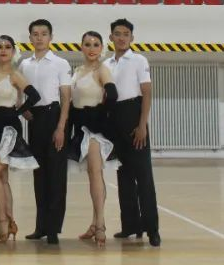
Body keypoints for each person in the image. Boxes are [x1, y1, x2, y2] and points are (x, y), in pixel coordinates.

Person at [0, 35, 39, 243]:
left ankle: (4, 220)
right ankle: (9, 225)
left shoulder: (15, 75)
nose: (3, 50)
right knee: (1, 177)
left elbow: (34, 96)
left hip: (9, 128)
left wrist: (18, 112)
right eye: (0, 46)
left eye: (7, 47)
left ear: (13, 51)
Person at [107, 18, 161, 247]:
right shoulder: (106, 64)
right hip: (114, 119)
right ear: (111, 37)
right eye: (117, 34)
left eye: (125, 34)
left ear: (132, 38)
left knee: (143, 177)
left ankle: (152, 230)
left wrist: (142, 125)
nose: (121, 38)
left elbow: (146, 93)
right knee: (124, 176)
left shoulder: (139, 60)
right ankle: (130, 225)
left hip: (134, 116)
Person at [19, 19, 72, 245]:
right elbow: (20, 91)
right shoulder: (24, 64)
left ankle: (53, 228)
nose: (39, 37)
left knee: (56, 175)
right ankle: (40, 226)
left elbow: (66, 97)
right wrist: (23, 109)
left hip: (54, 117)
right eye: (35, 34)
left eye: (43, 33)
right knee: (39, 173)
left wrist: (61, 127)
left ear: (51, 37)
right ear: (30, 37)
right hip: (35, 119)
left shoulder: (60, 63)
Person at [68, 30, 118, 248]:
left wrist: (99, 115)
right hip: (80, 127)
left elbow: (112, 95)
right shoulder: (77, 71)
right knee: (91, 175)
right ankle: (95, 223)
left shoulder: (102, 70)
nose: (91, 48)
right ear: (81, 47)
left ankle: (100, 226)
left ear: (101, 48)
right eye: (87, 44)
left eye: (96, 44)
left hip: (95, 130)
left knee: (95, 174)